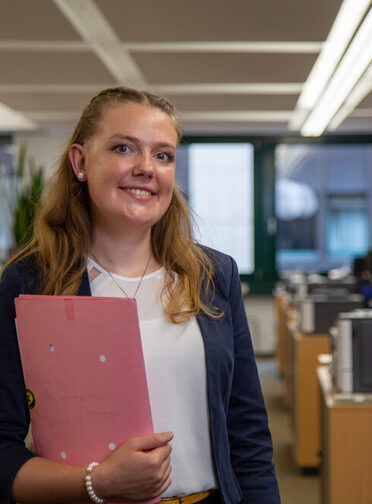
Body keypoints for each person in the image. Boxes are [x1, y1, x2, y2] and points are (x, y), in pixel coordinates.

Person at [0, 87, 281, 504]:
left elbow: (249, 435)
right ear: (80, 162)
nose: (146, 168)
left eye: (163, 155)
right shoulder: (29, 282)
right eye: (124, 148)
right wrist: (97, 483)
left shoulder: (213, 276)